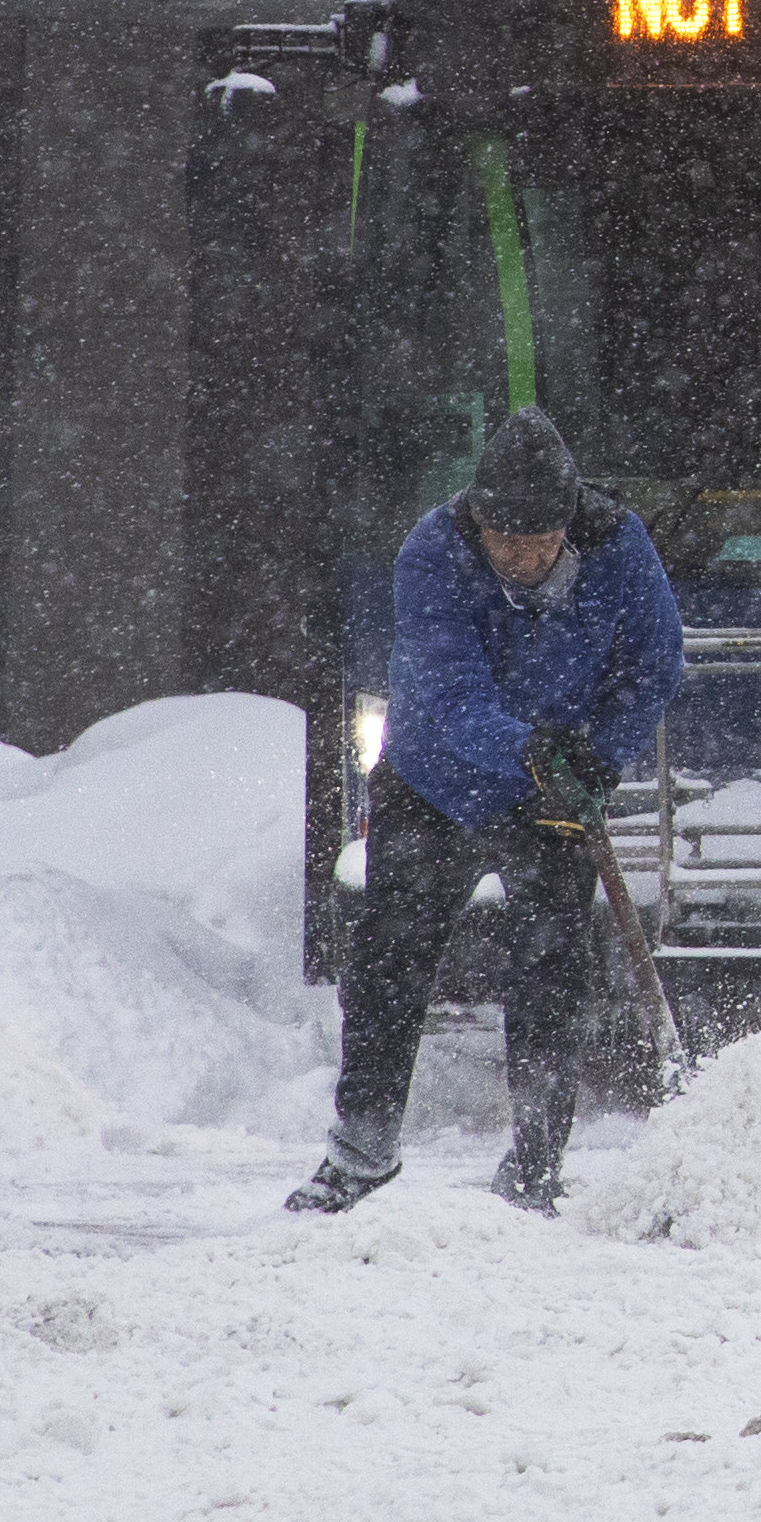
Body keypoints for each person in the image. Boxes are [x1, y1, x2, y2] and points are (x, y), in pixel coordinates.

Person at [286, 410, 685, 1216]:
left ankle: (536, 1167)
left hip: (555, 798)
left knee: (551, 975)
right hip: (433, 783)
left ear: (568, 523)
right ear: (478, 517)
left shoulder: (619, 547)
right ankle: (360, 1155)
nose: (524, 555)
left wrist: (599, 755)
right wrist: (534, 750)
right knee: (387, 968)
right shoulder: (431, 552)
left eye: (540, 541)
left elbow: (653, 662)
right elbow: (449, 694)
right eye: (507, 538)